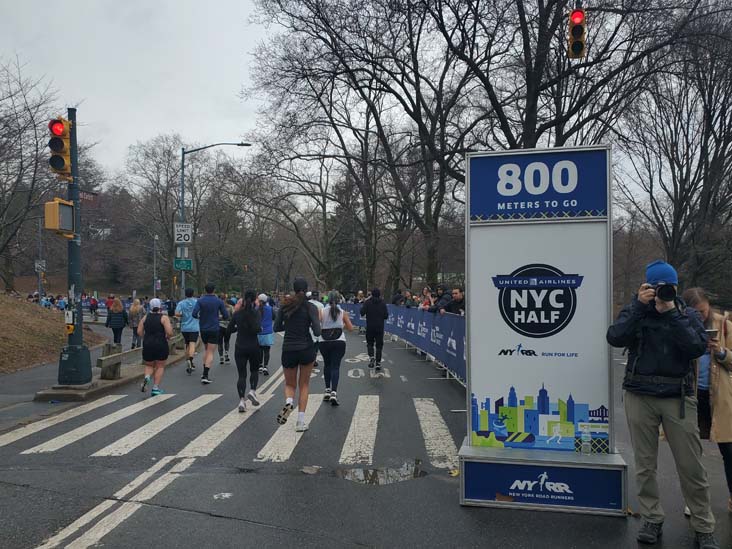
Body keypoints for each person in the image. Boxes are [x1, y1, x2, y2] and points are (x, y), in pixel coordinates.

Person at [606, 260, 718, 548]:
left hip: (677, 398)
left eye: (667, 287)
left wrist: (671, 314)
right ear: (646, 287)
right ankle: (652, 518)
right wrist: (639, 307)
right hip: (639, 394)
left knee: (690, 466)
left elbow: (695, 348)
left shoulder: (687, 314)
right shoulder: (637, 311)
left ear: (676, 288)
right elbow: (615, 336)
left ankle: (703, 524)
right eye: (656, 287)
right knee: (645, 465)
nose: (662, 292)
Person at [682, 287, 732, 515]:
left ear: (708, 305)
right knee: (691, 453)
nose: (700, 317)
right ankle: (696, 501)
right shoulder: (683, 326)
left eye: (703, 311)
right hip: (693, 395)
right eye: (695, 312)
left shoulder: (724, 326)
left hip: (720, 398)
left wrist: (720, 352)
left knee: (728, 450)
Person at [273, 278, 321, 432]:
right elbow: (317, 331)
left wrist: (288, 325)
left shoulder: (285, 306)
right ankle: (300, 422)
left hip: (289, 348)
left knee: (289, 384)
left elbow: (276, 327)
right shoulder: (310, 307)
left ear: (293, 289)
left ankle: (289, 401)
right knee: (304, 385)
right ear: (306, 289)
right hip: (306, 348)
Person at [228, 290, 262, 412]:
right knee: (254, 370)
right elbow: (258, 329)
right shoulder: (256, 313)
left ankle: (241, 401)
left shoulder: (237, 314)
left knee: (241, 375)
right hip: (253, 345)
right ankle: (252, 390)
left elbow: (230, 329)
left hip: (240, 345)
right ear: (254, 300)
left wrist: (238, 327)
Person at [320, 291, 354, 406]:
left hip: (324, 341)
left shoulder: (322, 311)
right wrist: (341, 325)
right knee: (335, 366)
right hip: (339, 341)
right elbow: (350, 328)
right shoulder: (343, 313)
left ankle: (327, 390)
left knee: (327, 365)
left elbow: (316, 324)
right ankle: (334, 392)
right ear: (339, 300)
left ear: (327, 300)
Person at [192, 283, 229, 384]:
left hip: (203, 328)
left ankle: (204, 371)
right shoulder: (219, 301)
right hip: (214, 328)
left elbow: (194, 314)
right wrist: (218, 317)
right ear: (214, 290)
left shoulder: (200, 300)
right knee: (210, 352)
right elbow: (226, 315)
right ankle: (205, 374)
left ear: (205, 289)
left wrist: (201, 317)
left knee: (206, 349)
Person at [139, 298, 173, 396]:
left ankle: (147, 377)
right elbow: (169, 332)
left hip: (148, 343)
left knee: (149, 365)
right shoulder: (164, 318)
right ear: (160, 306)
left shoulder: (145, 318)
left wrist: (145, 337)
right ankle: (155, 388)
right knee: (160, 366)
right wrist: (168, 337)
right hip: (160, 343)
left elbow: (139, 331)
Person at [360, 288, 389, 372]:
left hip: (370, 326)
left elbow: (362, 313)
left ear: (372, 294)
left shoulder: (367, 302)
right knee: (379, 346)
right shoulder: (383, 303)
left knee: (370, 343)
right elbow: (386, 316)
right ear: (379, 294)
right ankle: (378, 363)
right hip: (379, 327)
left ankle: (372, 357)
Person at [175, 288, 200, 375]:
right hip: (194, 326)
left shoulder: (181, 303)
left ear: (185, 294)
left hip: (185, 327)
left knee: (187, 344)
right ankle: (191, 360)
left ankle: (187, 360)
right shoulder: (197, 302)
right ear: (193, 293)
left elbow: (176, 313)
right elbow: (200, 312)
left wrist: (183, 314)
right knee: (192, 344)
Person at [258, 293, 275, 376]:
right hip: (268, 331)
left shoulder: (256, 309)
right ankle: (265, 366)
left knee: (260, 350)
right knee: (267, 350)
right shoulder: (270, 308)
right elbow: (274, 317)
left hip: (259, 331)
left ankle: (260, 365)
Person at [218, 294, 234, 365]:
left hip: (219, 326)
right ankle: (226, 354)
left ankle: (221, 357)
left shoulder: (217, 307)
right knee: (227, 341)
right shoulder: (230, 307)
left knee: (219, 342)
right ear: (226, 299)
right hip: (227, 326)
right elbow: (233, 315)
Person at [309, 290, 325, 357]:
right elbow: (322, 317)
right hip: (317, 325)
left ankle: (310, 357)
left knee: (310, 342)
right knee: (317, 343)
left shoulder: (308, 303)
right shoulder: (321, 305)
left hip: (309, 325)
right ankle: (314, 357)